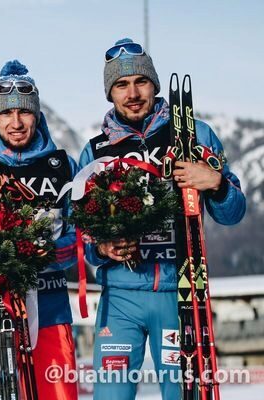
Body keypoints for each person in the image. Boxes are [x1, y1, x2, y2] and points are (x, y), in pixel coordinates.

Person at [79, 38, 246, 400]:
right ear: (110, 92)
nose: (133, 92)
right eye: (121, 84)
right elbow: (81, 235)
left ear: (154, 84)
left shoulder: (194, 135)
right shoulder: (95, 152)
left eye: (141, 81)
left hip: (180, 292)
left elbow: (233, 213)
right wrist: (102, 247)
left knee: (184, 395)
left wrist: (216, 184)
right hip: (120, 299)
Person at [0, 60, 79, 400]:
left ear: (37, 115)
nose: (15, 123)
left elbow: (79, 237)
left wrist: (49, 252)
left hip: (50, 308)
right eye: (5, 114)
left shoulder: (61, 166)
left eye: (24, 113)